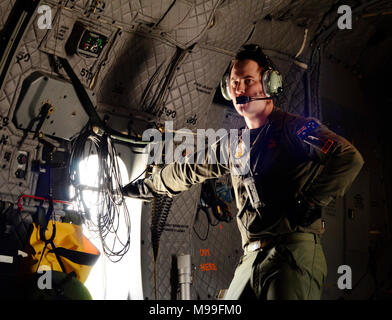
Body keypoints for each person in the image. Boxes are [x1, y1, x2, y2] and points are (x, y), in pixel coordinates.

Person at [121, 44, 364, 300]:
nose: (239, 89)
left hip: (291, 254)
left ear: (269, 85)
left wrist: (312, 201)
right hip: (251, 258)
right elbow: (190, 169)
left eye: (248, 80)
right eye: (234, 82)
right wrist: (144, 187)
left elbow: (348, 157)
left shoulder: (297, 129)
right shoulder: (234, 144)